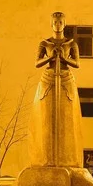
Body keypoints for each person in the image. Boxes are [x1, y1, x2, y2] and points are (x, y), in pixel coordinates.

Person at [28, 11, 84, 167]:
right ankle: (45, 158)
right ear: (51, 24)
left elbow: (77, 64)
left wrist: (64, 58)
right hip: (49, 78)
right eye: (55, 22)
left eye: (60, 22)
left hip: (65, 78)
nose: (57, 25)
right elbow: (37, 63)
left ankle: (67, 160)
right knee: (46, 118)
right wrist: (50, 57)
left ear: (64, 24)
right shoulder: (45, 43)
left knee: (67, 119)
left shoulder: (71, 43)